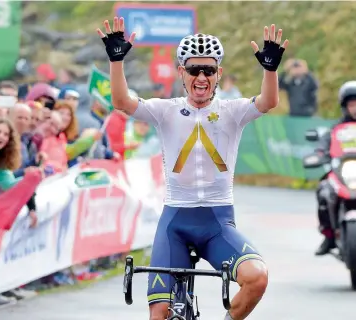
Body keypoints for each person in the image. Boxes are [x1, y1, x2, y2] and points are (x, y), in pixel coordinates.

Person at [97, 17, 288, 320]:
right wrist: (116, 60)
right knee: (159, 313)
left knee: (257, 278)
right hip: (175, 223)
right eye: (194, 69)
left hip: (217, 224)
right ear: (181, 73)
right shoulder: (165, 111)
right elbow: (121, 101)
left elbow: (268, 101)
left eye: (209, 70)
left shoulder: (232, 111)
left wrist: (270, 70)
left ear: (218, 74)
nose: (201, 77)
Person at [314, 81, 356, 256]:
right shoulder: (334, 130)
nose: (355, 108)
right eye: (351, 104)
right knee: (324, 190)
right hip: (343, 173)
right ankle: (329, 236)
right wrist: (319, 155)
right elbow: (322, 148)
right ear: (345, 107)